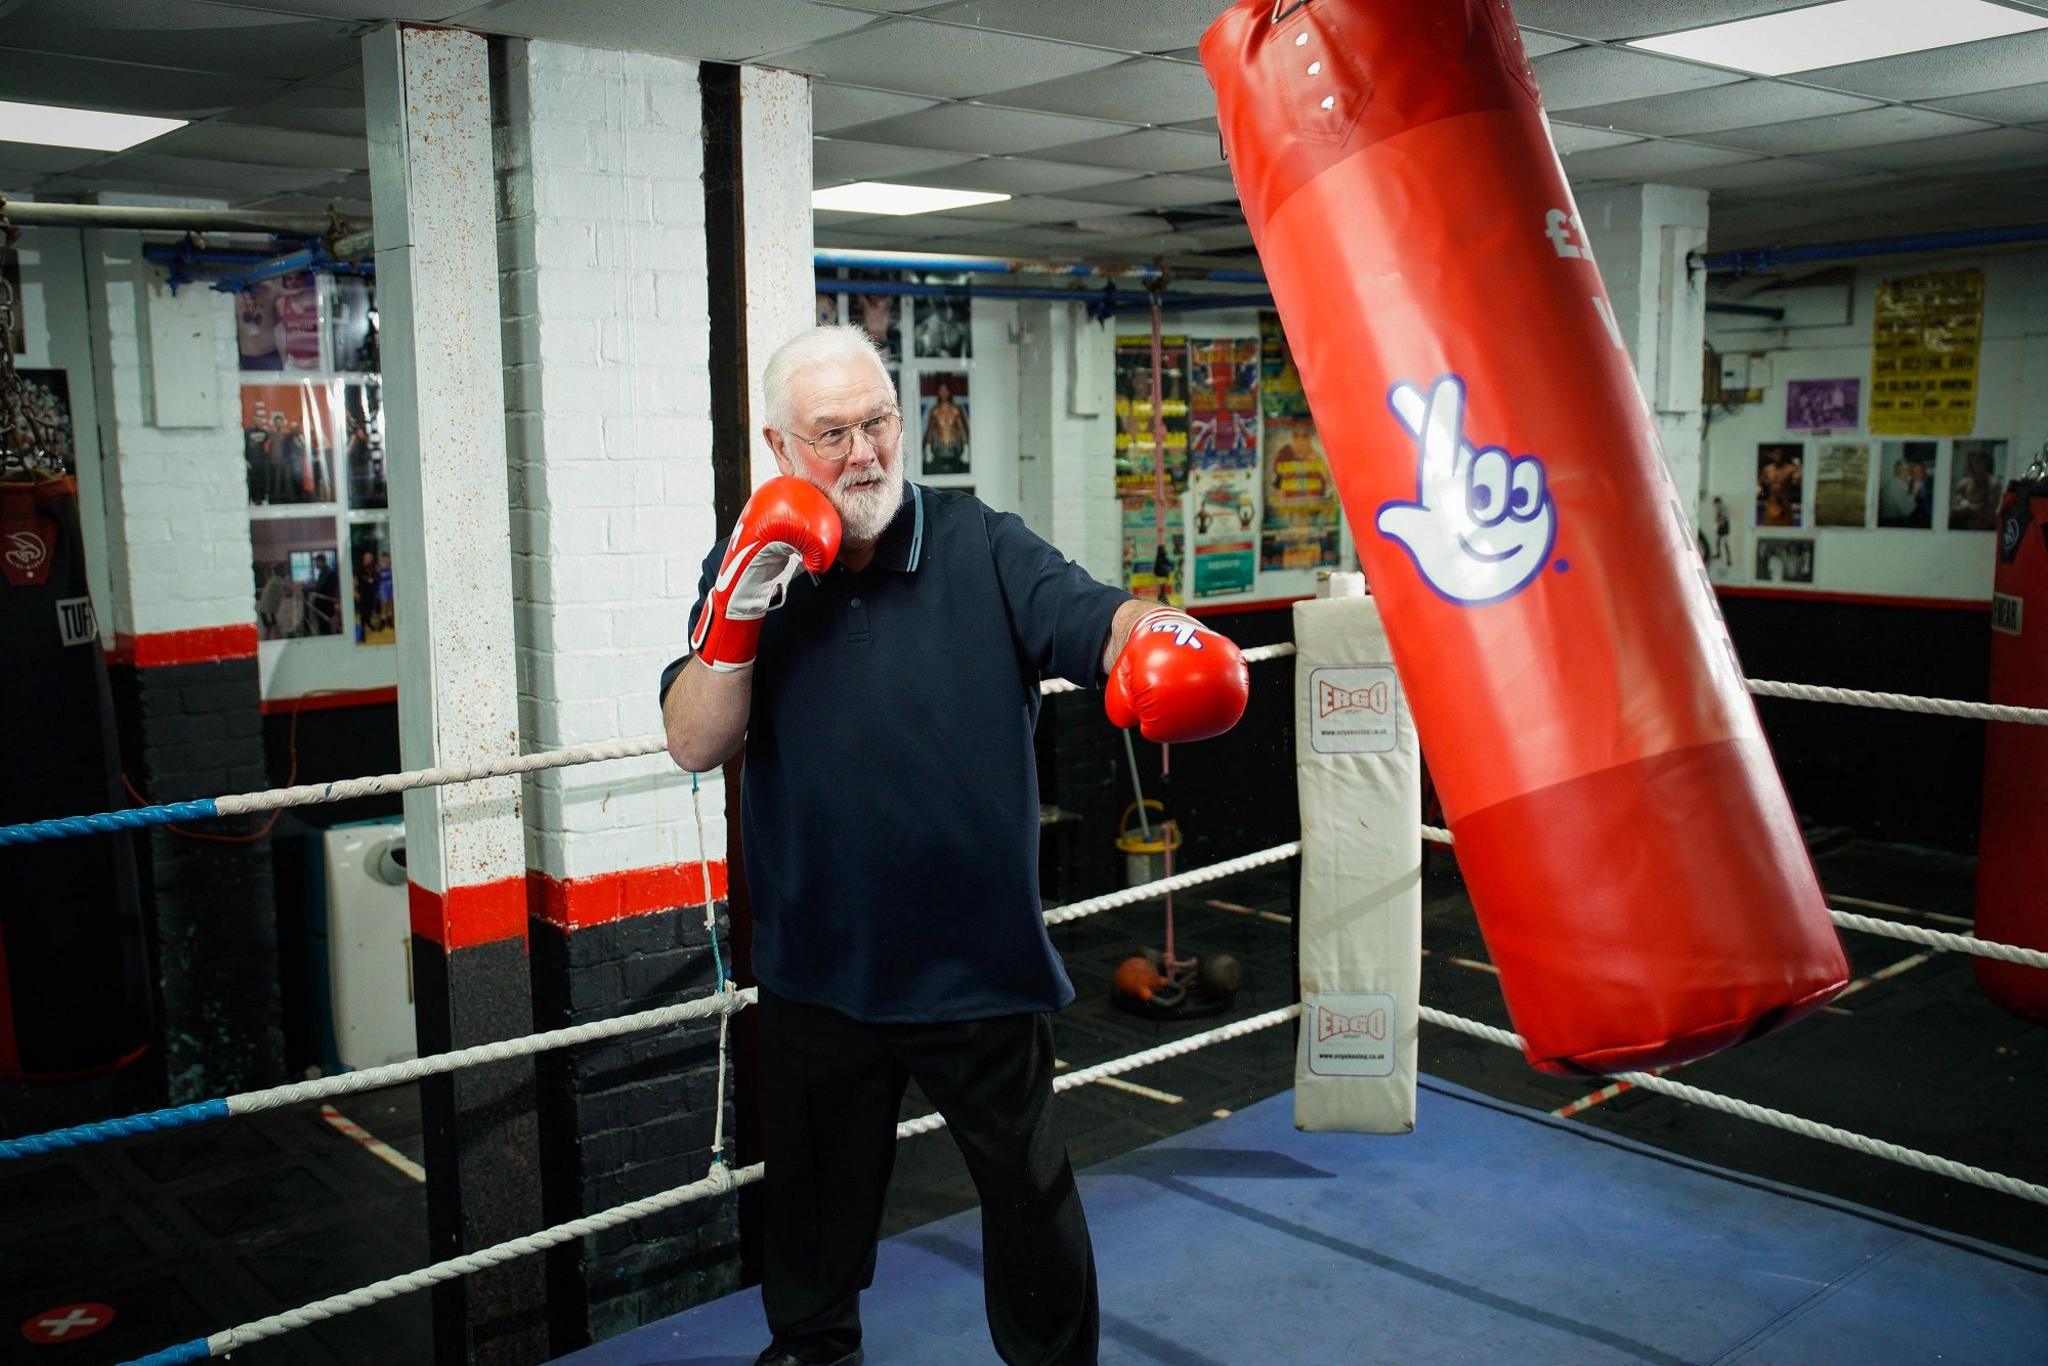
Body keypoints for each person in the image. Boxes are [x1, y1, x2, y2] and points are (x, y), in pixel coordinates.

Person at [659, 325, 1249, 1366]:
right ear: (780, 446)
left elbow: (1096, 618)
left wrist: (1162, 641)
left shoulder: (980, 543)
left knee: (1028, 1199)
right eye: (831, 432)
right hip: (817, 966)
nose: (864, 453)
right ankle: (811, 1349)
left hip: (973, 967)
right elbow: (695, 740)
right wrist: (736, 612)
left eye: (878, 421)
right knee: (811, 1209)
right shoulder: (749, 558)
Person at [921, 378, 968, 474]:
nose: (943, 393)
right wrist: (928, 447)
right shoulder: (935, 411)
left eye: (945, 390)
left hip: (954, 448)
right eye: (941, 390)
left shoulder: (955, 410)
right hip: (939, 449)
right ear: (938, 392)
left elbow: (962, 429)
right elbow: (930, 430)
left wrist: (966, 447)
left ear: (949, 392)